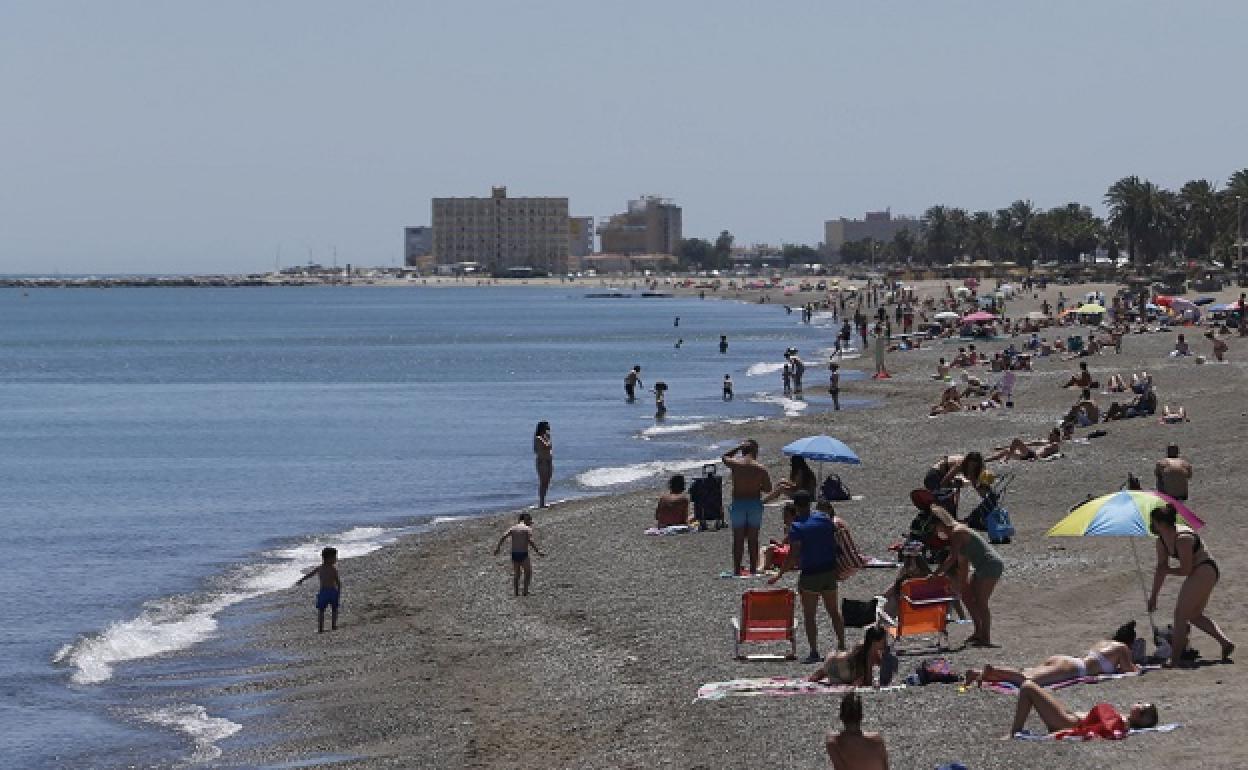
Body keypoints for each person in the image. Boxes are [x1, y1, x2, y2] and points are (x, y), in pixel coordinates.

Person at [1148, 503, 1234, 666]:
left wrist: (1168, 571)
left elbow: (1186, 570)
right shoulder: (1161, 542)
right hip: (1199, 572)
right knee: (1193, 615)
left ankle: (1174, 660)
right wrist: (1154, 597)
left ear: (1161, 524)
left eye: (1153, 522)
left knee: (1180, 614)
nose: (1151, 526)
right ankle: (1225, 643)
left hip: (1205, 569)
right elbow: (1160, 569)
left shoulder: (1183, 538)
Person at [770, 491, 845, 660]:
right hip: (829, 571)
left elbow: (793, 554)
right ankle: (842, 644)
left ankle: (814, 651)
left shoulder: (796, 526)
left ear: (796, 506)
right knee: (833, 610)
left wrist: (780, 573)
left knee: (810, 615)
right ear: (810, 503)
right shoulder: (824, 519)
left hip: (811, 573)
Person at [966, 621, 1139, 686]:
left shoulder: (1104, 642)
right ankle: (992, 669)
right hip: (1075, 668)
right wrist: (1137, 666)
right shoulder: (1122, 648)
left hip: (1066, 660)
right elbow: (1129, 670)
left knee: (1027, 674)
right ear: (1129, 642)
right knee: (1029, 681)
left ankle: (980, 674)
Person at [932, 505, 1003, 646]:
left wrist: (935, 574)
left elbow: (952, 558)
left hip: (990, 565)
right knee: (967, 597)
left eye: (936, 527)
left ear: (941, 524)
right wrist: (962, 585)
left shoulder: (958, 532)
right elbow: (963, 563)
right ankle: (978, 632)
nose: (937, 531)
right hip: (982, 566)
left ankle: (986, 637)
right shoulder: (958, 534)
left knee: (981, 602)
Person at [1006, 680, 1158, 739]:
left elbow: (1096, 729)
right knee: (1032, 687)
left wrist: (1063, 733)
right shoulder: (1122, 717)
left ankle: (1014, 732)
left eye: (1143, 711)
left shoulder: (1122, 721)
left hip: (1066, 722)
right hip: (1067, 718)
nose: (1139, 706)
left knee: (1028, 687)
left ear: (1142, 722)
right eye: (1141, 703)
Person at [721, 440, 772, 575]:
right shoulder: (760, 468)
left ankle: (737, 570)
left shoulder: (736, 465)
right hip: (754, 504)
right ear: (755, 451)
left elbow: (724, 457)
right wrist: (756, 486)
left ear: (742, 451)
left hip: (738, 503)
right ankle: (753, 570)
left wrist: (737, 447)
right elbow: (768, 489)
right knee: (753, 539)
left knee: (738, 539)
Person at [810, 626, 890, 688]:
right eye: (883, 640)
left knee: (829, 670)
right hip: (837, 670)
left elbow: (881, 664)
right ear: (875, 641)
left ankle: (821, 673)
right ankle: (822, 673)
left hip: (833, 661)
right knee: (856, 677)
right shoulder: (867, 653)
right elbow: (868, 681)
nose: (886, 642)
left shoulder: (864, 646)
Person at [494, 513, 545, 597]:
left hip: (514, 554)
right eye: (529, 521)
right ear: (525, 519)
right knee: (528, 572)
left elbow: (503, 536)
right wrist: (538, 551)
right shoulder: (527, 529)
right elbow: (530, 541)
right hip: (523, 554)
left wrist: (498, 548)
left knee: (517, 574)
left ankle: (516, 593)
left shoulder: (513, 528)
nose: (530, 523)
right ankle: (525, 591)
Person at [295, 546, 341, 633]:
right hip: (325, 592)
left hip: (330, 591)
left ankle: (332, 625)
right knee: (322, 610)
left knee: (332, 609)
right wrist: (301, 580)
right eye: (334, 557)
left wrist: (338, 592)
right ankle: (321, 628)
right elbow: (310, 574)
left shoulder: (332, 569)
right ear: (328, 558)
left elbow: (338, 581)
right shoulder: (324, 568)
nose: (336, 559)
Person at [986, 426, 1063, 462]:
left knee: (1016, 441)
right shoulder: (1045, 442)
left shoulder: (1055, 445)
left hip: (1033, 456)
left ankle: (1006, 459)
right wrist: (1002, 447)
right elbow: (1028, 444)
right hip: (1028, 455)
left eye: (1051, 435)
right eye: (1049, 434)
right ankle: (985, 460)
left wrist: (1039, 459)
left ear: (1056, 436)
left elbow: (1052, 455)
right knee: (1006, 451)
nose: (1049, 436)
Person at [533, 421, 553, 508]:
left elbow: (550, 447)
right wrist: (547, 439)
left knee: (547, 481)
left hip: (548, 461)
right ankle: (541, 502)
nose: (548, 429)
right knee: (543, 481)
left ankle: (544, 500)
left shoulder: (546, 436)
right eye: (546, 427)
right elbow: (547, 446)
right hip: (542, 462)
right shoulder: (538, 438)